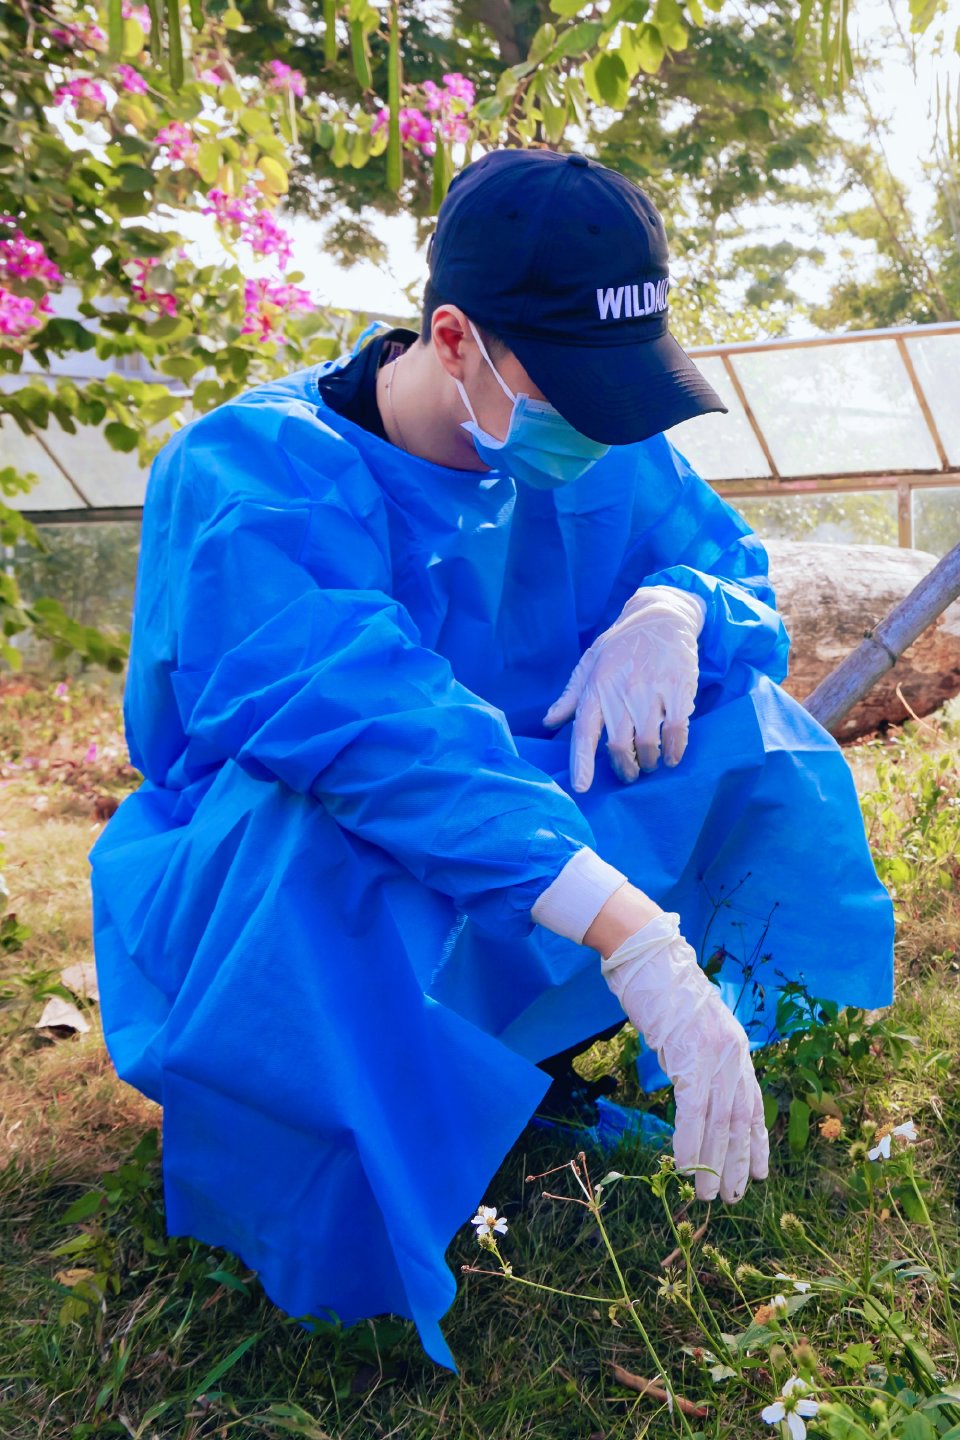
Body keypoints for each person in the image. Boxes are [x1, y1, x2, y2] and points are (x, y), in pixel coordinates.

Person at [89, 147, 894, 1370]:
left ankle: (546, 1071)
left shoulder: (601, 444)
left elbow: (731, 565)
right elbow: (374, 735)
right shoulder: (252, 474)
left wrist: (676, 609)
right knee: (328, 845)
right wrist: (633, 932)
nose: (601, 432)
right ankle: (323, 1155)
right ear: (453, 337)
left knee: (758, 737)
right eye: (571, 392)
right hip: (292, 846)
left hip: (517, 798)